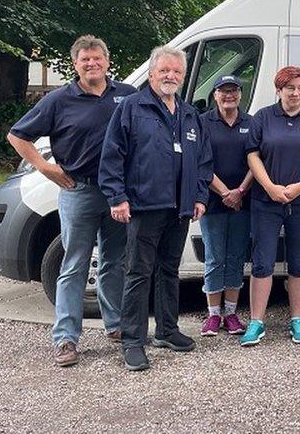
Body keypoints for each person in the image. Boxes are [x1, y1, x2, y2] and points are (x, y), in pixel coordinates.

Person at [7, 35, 135, 367]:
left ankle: (116, 325)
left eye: (97, 58)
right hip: (78, 190)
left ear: (107, 61)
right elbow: (17, 135)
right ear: (75, 64)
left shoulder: (127, 96)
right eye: (84, 60)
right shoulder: (59, 100)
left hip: (117, 194)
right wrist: (45, 166)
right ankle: (66, 338)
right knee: (74, 264)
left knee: (113, 261)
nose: (92, 64)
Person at [99, 45, 212, 371]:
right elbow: (112, 155)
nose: (171, 76)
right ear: (151, 74)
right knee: (138, 272)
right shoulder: (133, 108)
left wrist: (200, 197)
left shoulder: (189, 114)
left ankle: (167, 330)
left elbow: (203, 161)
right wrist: (116, 196)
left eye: (177, 71)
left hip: (180, 209)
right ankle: (133, 340)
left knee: (169, 271)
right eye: (164, 70)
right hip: (145, 206)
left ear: (184, 76)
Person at [239, 66, 300, 347]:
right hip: (266, 201)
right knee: (263, 260)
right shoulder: (263, 118)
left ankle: (297, 320)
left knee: (299, 260)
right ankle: (256, 322)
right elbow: (252, 155)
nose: (295, 93)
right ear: (278, 90)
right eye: (290, 87)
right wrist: (269, 186)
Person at [198, 75, 253, 337]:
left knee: (235, 257)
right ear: (215, 94)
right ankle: (212, 316)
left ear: (240, 95)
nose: (228, 95)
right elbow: (202, 163)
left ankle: (231, 313)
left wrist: (240, 191)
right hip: (214, 201)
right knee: (214, 256)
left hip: (243, 200)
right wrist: (225, 192)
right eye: (223, 91)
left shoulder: (251, 123)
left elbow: (256, 162)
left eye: (233, 91)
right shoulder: (203, 123)